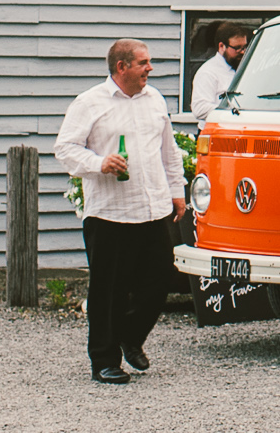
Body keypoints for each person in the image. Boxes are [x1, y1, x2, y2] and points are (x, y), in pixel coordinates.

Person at [54, 40, 187, 385]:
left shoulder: (154, 99)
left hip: (153, 206)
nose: (150, 68)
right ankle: (105, 361)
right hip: (110, 212)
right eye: (143, 62)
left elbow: (169, 151)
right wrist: (99, 162)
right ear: (121, 67)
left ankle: (130, 335)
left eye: (150, 62)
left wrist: (177, 192)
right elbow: (65, 149)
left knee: (160, 279)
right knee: (108, 290)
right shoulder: (90, 102)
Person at [188, 21, 250, 117]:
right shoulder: (208, 72)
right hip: (216, 130)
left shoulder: (245, 68)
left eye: (245, 47)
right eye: (237, 48)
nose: (242, 52)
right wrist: (232, 110)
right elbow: (200, 109)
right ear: (222, 46)